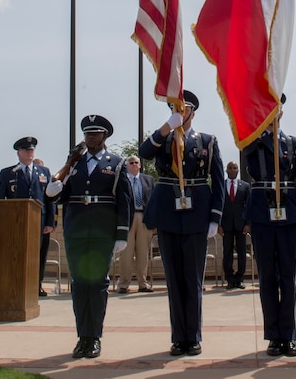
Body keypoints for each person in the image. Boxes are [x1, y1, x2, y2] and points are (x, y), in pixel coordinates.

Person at [138, 90, 225, 357]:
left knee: (193, 278)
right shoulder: (163, 137)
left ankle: (194, 336)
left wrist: (215, 217)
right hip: (168, 212)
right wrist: (167, 128)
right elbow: (144, 153)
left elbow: (219, 181)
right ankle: (179, 337)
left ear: (193, 112)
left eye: (185, 108)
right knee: (174, 279)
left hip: (197, 212)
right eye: (176, 107)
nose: (181, 111)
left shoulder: (207, 141)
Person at [46, 115, 132, 360]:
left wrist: (121, 234)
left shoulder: (115, 163)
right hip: (76, 230)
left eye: (95, 134)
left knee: (96, 284)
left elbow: (123, 200)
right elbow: (55, 195)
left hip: (102, 232)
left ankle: (94, 337)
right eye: (87, 134)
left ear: (104, 137)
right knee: (79, 284)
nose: (90, 138)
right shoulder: (74, 164)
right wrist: (61, 175)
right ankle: (82, 337)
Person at [241, 96, 296, 357]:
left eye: (276, 108)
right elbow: (245, 149)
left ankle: (289, 335)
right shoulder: (252, 141)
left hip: (289, 213)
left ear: (281, 111)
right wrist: (260, 130)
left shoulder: (294, 144)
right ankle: (273, 335)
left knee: (288, 276)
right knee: (268, 276)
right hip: (262, 213)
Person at [0, 136, 56, 297]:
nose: (30, 153)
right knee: (17, 254)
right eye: (26, 150)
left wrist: (50, 222)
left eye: (32, 150)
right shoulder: (8, 173)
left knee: (39, 255)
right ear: (19, 153)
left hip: (40, 222)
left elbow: (50, 199)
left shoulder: (44, 172)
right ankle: (16, 283)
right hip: (16, 222)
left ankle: (37, 284)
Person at [116, 156, 155, 294]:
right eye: (131, 163)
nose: (133, 164)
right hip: (128, 219)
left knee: (143, 253)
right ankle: (123, 284)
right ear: (126, 165)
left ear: (140, 165)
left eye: (136, 163)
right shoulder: (122, 179)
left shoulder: (148, 180)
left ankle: (143, 283)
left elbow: (153, 200)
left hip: (144, 218)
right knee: (126, 253)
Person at [219, 161, 250, 290]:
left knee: (242, 252)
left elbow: (249, 206)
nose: (232, 170)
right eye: (230, 168)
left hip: (241, 225)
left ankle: (240, 278)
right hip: (226, 225)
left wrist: (248, 224)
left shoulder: (245, 186)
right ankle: (230, 279)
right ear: (226, 170)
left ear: (238, 170)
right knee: (227, 252)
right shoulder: (221, 185)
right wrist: (218, 224)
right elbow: (217, 205)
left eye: (235, 168)